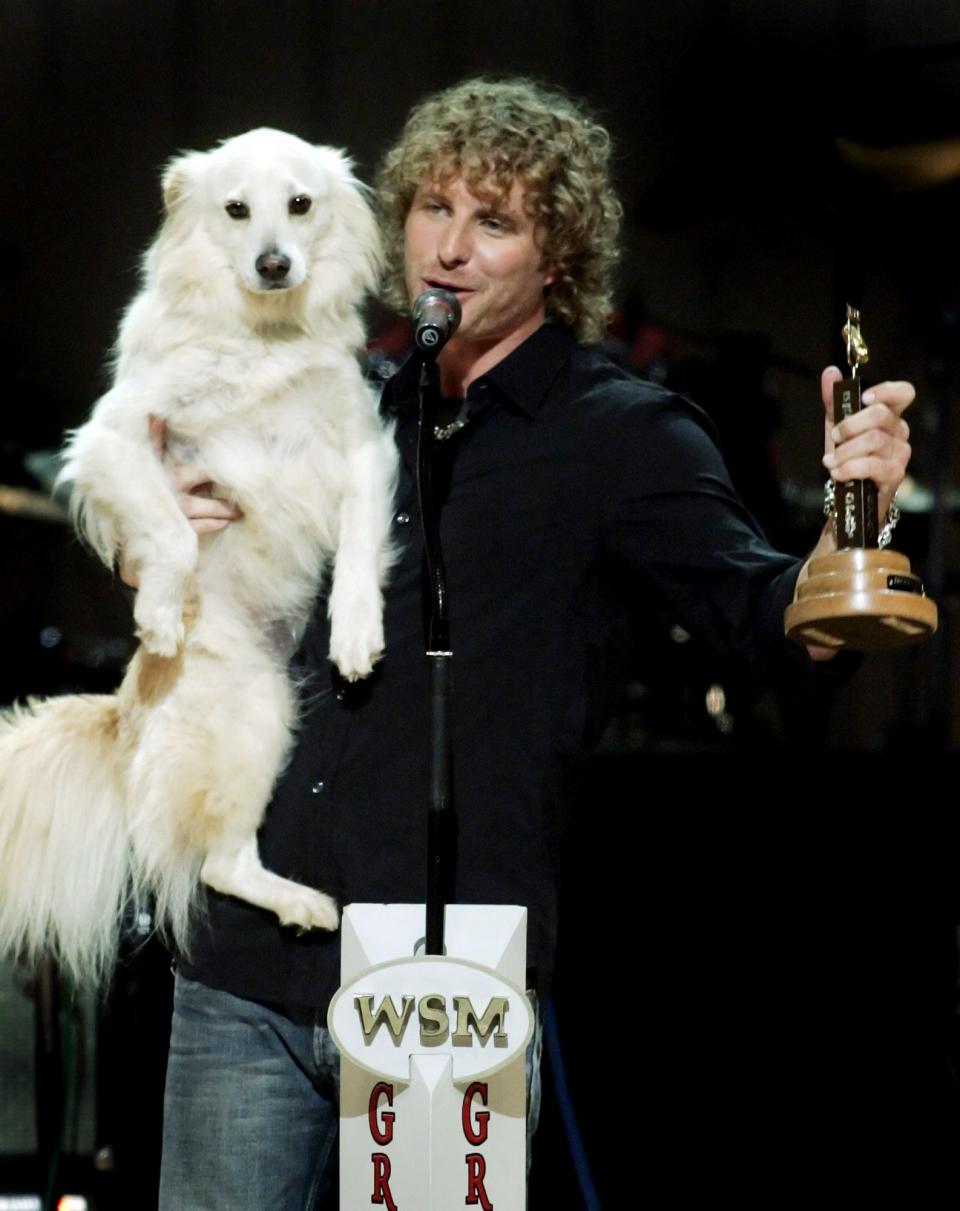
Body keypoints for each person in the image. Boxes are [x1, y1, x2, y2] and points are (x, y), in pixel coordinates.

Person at [156, 78, 913, 1209]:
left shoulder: (621, 436)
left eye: (495, 223)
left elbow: (778, 627)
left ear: (557, 257)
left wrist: (861, 521)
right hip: (242, 960)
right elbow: (185, 553)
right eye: (434, 210)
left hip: (442, 978)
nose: (449, 250)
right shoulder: (335, 395)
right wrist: (152, 535)